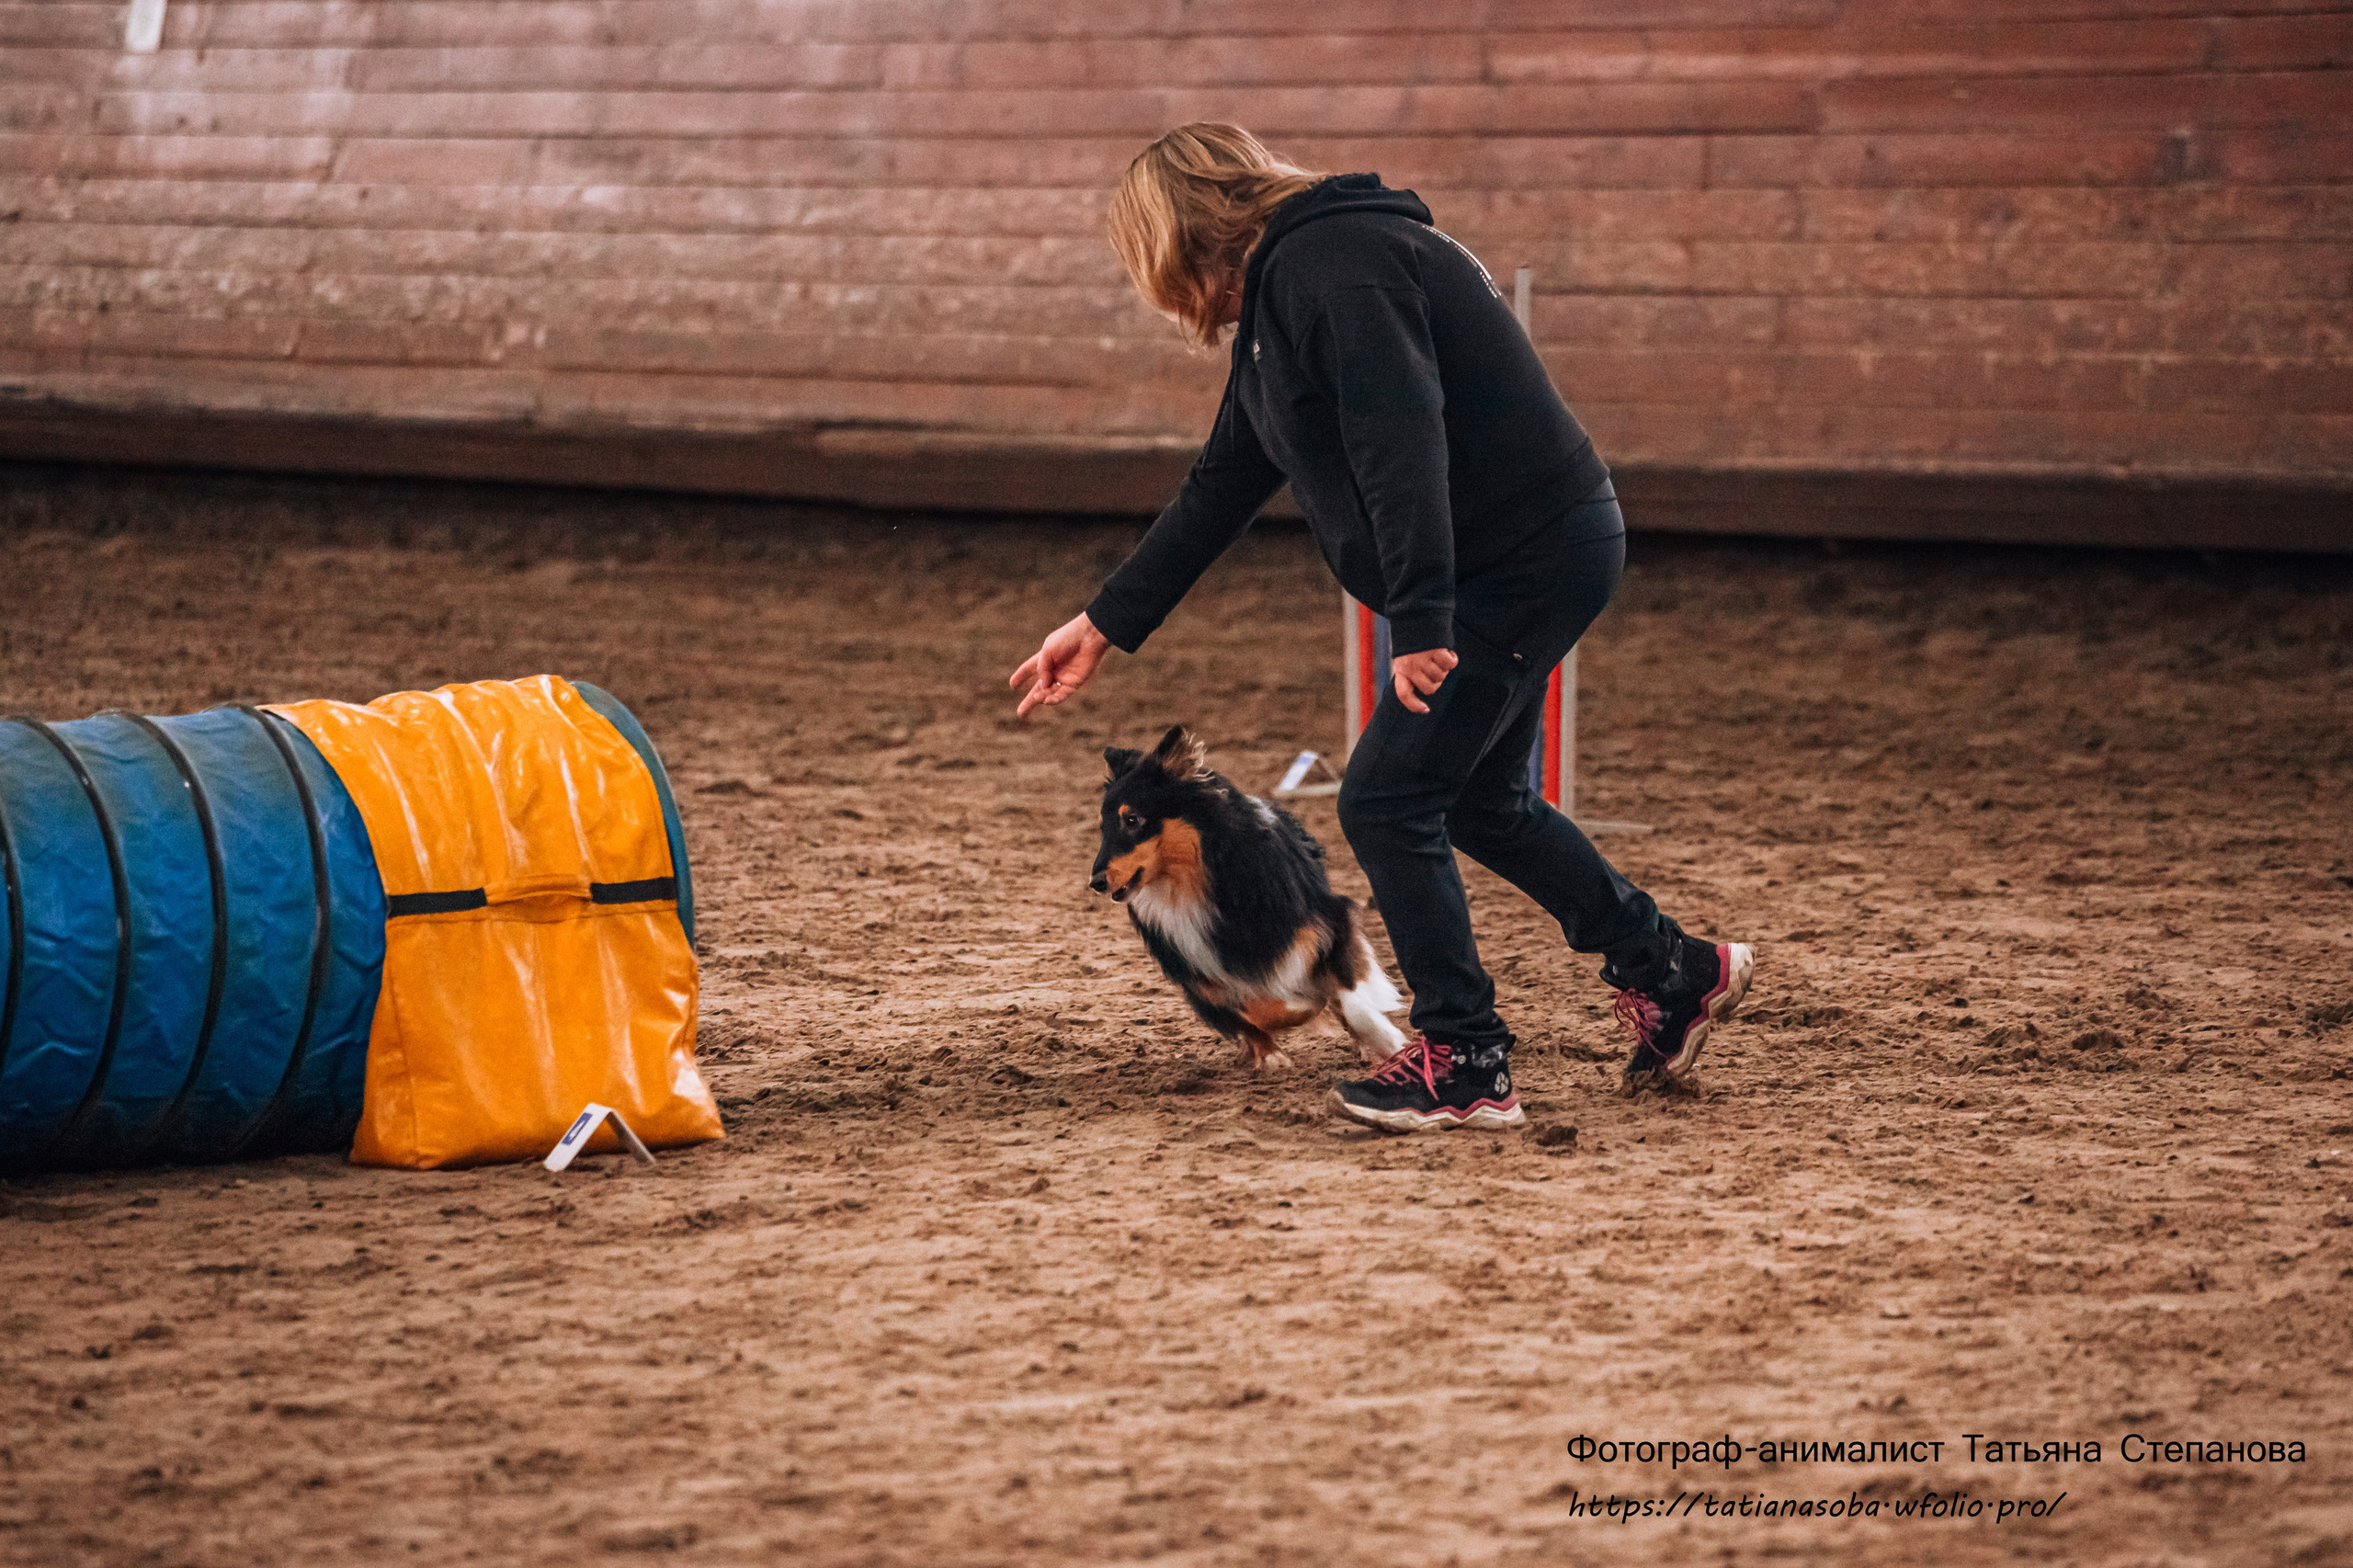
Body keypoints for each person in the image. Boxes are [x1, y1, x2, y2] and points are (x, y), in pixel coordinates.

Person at [1009, 123, 1753, 1131]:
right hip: (1520, 555)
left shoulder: (1336, 266)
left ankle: (1466, 1060)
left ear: (1188, 234)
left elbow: (1405, 441)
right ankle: (1672, 969)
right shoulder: (1291, 288)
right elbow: (1225, 478)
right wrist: (1103, 622)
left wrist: (1421, 614)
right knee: (1481, 799)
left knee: (1388, 795)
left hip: (1518, 561)